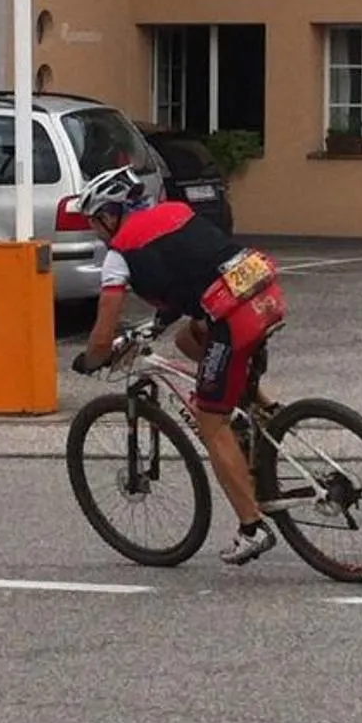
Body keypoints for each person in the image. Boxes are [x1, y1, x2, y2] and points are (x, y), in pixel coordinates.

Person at [71, 165, 290, 565]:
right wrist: (157, 322)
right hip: (265, 292)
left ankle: (252, 528)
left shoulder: (120, 255)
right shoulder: (175, 212)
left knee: (210, 420)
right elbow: (192, 270)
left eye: (96, 222)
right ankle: (263, 405)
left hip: (234, 319)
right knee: (189, 338)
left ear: (110, 214)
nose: (98, 231)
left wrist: (93, 358)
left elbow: (103, 334)